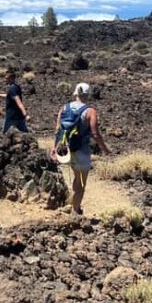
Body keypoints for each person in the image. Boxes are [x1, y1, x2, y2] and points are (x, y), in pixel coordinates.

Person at [51, 82, 111, 215]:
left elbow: (58, 130)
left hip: (66, 149)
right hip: (82, 150)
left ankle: (73, 204)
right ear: (87, 94)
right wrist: (105, 149)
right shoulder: (90, 111)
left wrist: (54, 148)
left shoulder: (64, 108)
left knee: (77, 177)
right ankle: (75, 211)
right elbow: (95, 134)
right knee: (82, 182)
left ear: (76, 93)